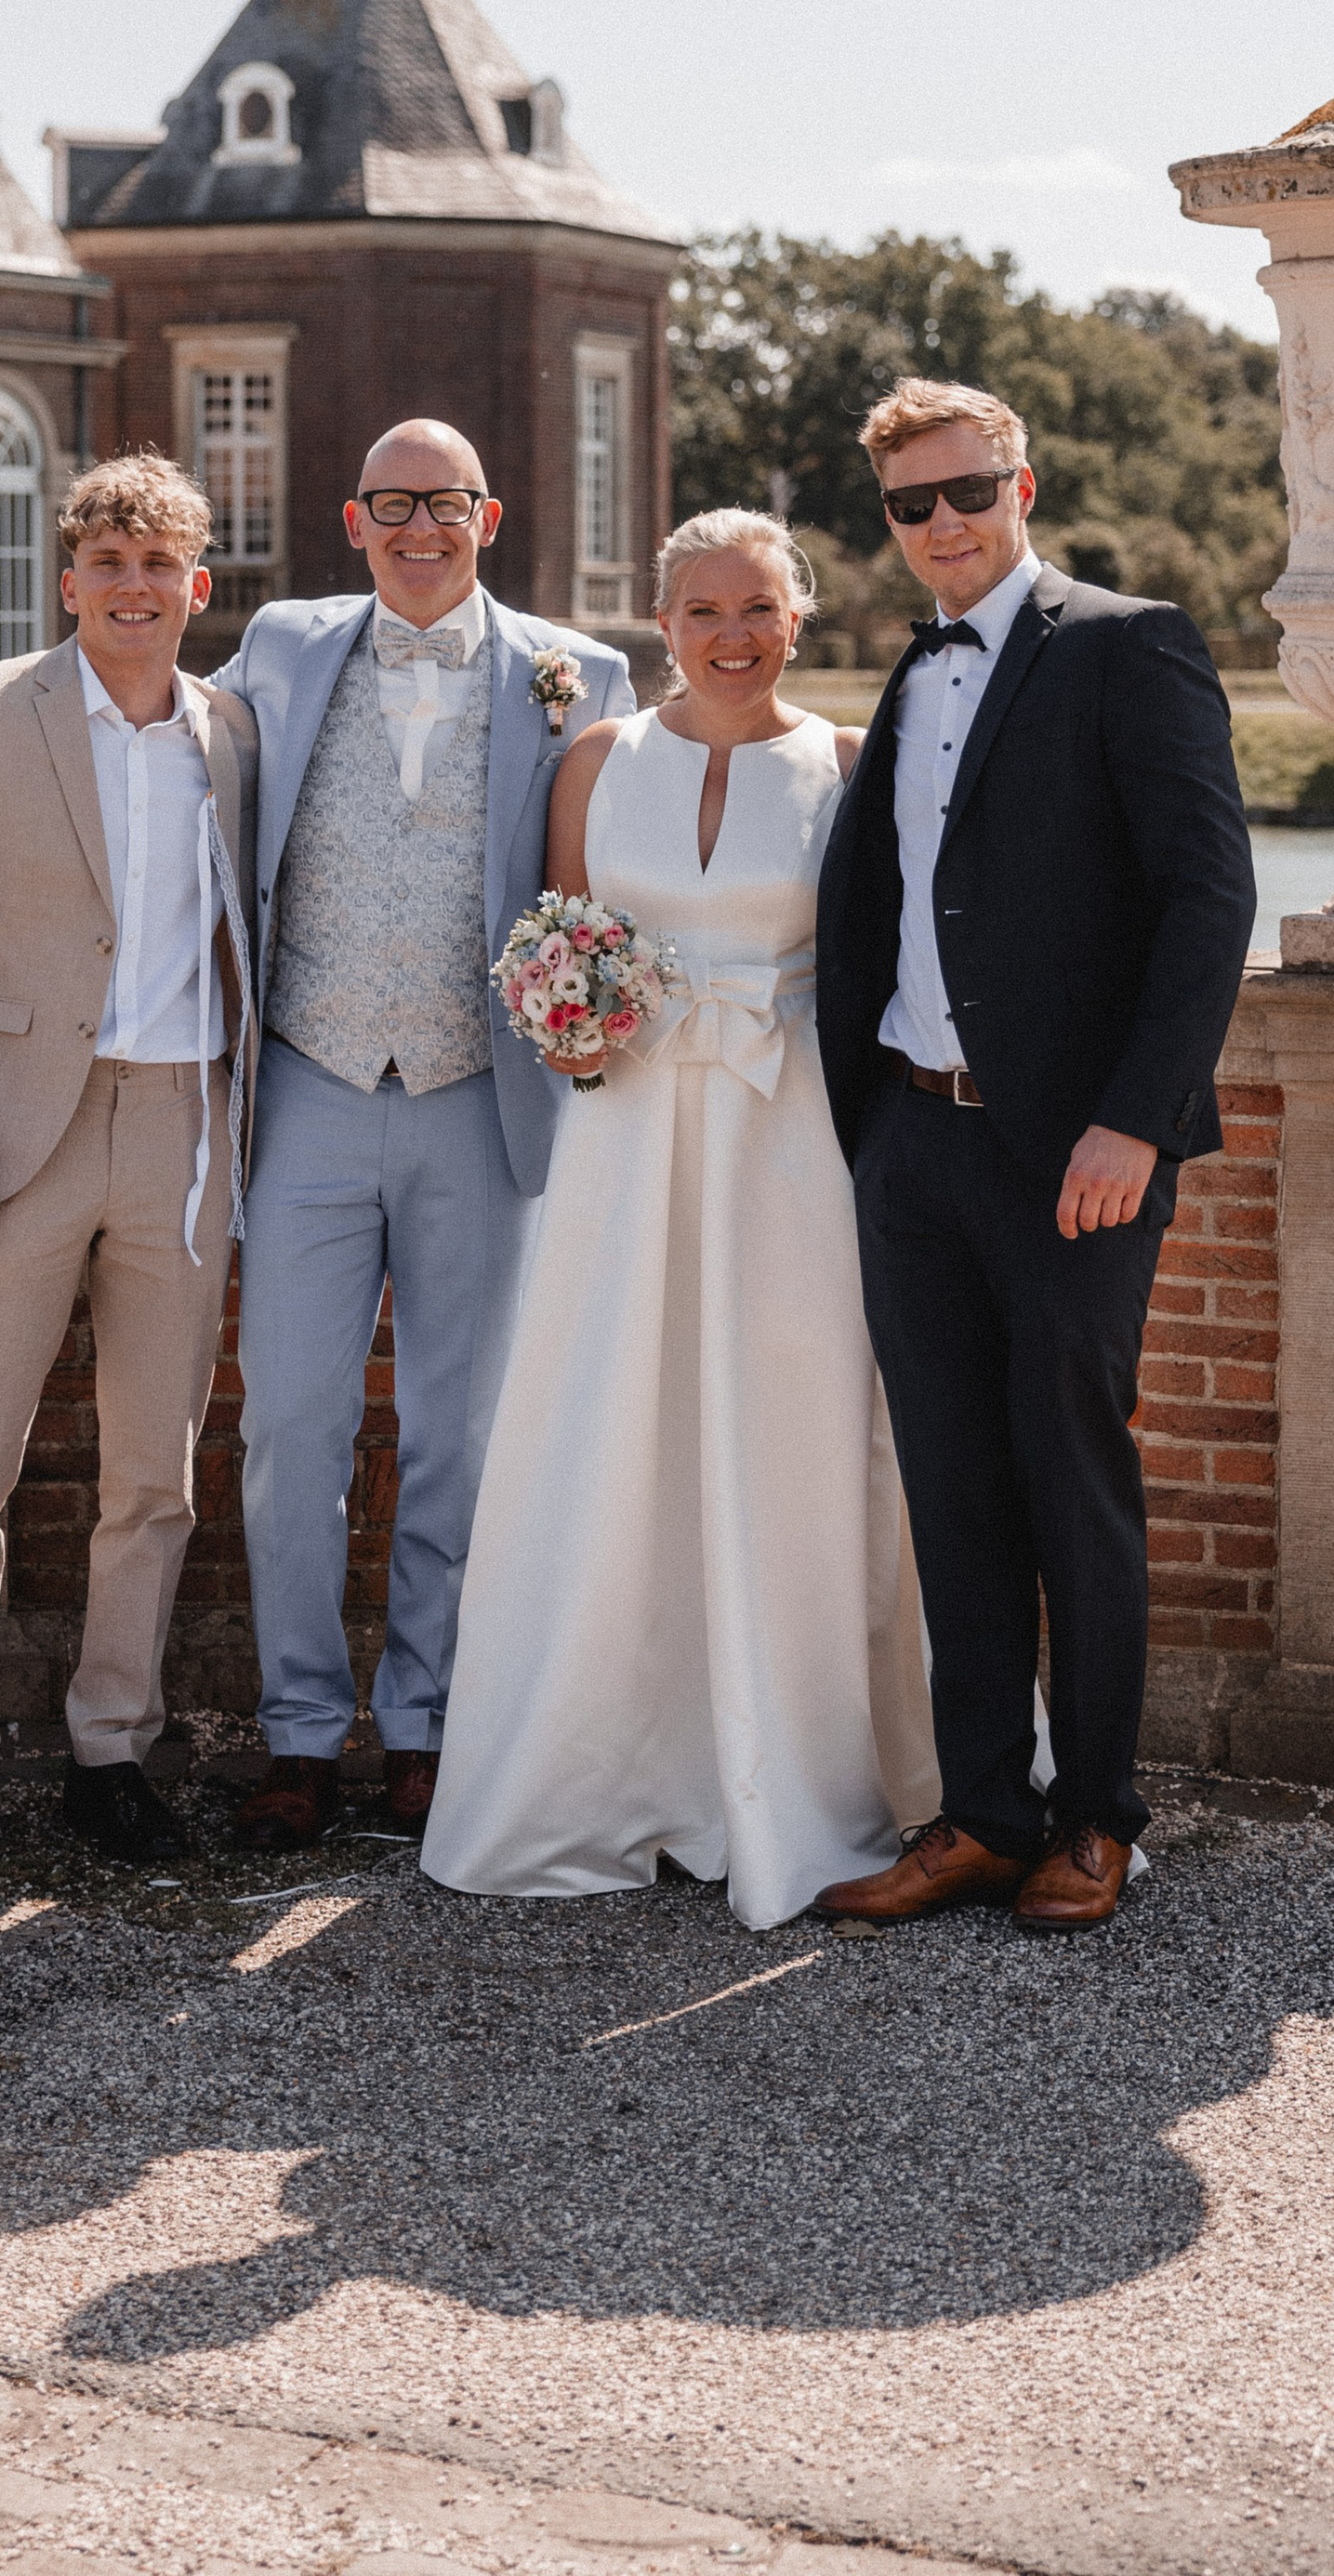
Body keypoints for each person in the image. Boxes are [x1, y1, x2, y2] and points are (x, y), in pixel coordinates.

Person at [423, 510, 939, 1932]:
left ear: (800, 615)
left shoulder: (846, 766)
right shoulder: (596, 760)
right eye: (705, 608)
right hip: (627, 1136)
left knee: (794, 1429)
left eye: (759, 606)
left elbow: (895, 961)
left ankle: (798, 1776)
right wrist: (572, 1033)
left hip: (789, 1144)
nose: (733, 632)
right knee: (610, 1422)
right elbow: (558, 935)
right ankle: (599, 1772)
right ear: (665, 620)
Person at [812, 380, 1256, 1933]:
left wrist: (1134, 1120)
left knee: (1077, 1480)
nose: (942, 524)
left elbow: (1209, 903)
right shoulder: (904, 675)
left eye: (966, 492)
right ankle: (986, 1811)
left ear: (1025, 483)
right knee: (951, 1488)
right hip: (913, 1146)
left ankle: (1100, 1819)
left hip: (1077, 1154)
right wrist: (870, 1129)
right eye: (911, 505)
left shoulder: (1128, 644)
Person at [216, 421, 632, 1847]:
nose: (417, 530)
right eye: (390, 506)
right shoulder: (277, 645)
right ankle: (294, 1728)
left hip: (482, 1098)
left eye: (442, 505)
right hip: (309, 1090)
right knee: (290, 1428)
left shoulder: (585, 677)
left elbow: (687, 790)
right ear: (353, 518)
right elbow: (139, 714)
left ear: (488, 514)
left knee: (460, 1432)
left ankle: (427, 1719)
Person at [0, 453, 257, 1892]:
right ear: (72, 582)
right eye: (109, 564)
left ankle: (112, 1749)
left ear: (195, 587)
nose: (135, 589)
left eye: (161, 567)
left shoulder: (238, 735)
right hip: (11, 1132)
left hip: (184, 1130)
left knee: (150, 1475)